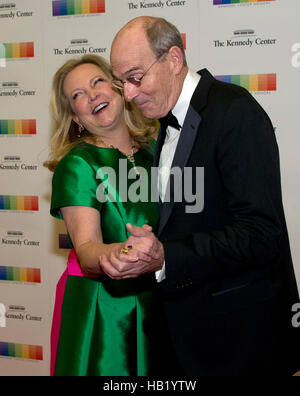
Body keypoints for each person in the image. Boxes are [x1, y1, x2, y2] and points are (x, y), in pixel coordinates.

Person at [108, 16, 300, 375]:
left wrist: (168, 256)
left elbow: (261, 233)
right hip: (187, 335)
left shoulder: (234, 111)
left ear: (174, 60)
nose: (129, 94)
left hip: (239, 341)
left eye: (136, 77)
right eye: (122, 83)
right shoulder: (165, 124)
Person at [44, 54, 172, 376]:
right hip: (104, 310)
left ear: (118, 88)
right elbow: (87, 251)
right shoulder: (78, 164)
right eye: (78, 96)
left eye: (97, 82)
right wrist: (123, 252)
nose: (92, 96)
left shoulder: (154, 152)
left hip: (158, 303)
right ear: (75, 117)